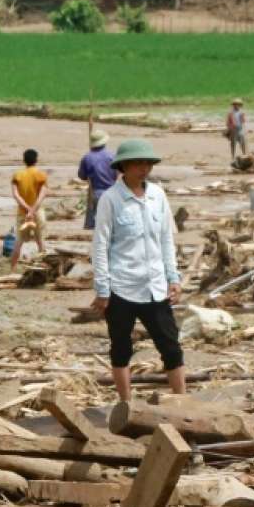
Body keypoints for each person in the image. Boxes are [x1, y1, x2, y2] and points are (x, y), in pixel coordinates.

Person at [89, 138, 185, 400]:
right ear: (124, 166)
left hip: (154, 286)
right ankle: (126, 404)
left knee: (171, 346)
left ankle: (182, 401)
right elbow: (100, 246)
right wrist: (102, 289)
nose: (144, 169)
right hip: (121, 287)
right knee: (121, 348)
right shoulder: (111, 199)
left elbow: (166, 238)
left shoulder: (157, 195)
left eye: (148, 163)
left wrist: (173, 277)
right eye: (138, 164)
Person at [10, 148, 48, 270]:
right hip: (38, 213)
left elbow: (16, 195)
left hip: (22, 213)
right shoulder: (41, 175)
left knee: (18, 242)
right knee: (40, 241)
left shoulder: (17, 176)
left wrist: (26, 209)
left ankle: (12, 269)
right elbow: (42, 194)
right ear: (36, 160)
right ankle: (44, 267)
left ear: (24, 160)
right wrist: (33, 210)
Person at [77, 129, 116, 229]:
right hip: (112, 192)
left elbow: (82, 176)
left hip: (95, 192)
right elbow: (119, 174)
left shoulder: (87, 158)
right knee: (111, 223)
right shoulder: (112, 156)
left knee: (92, 225)